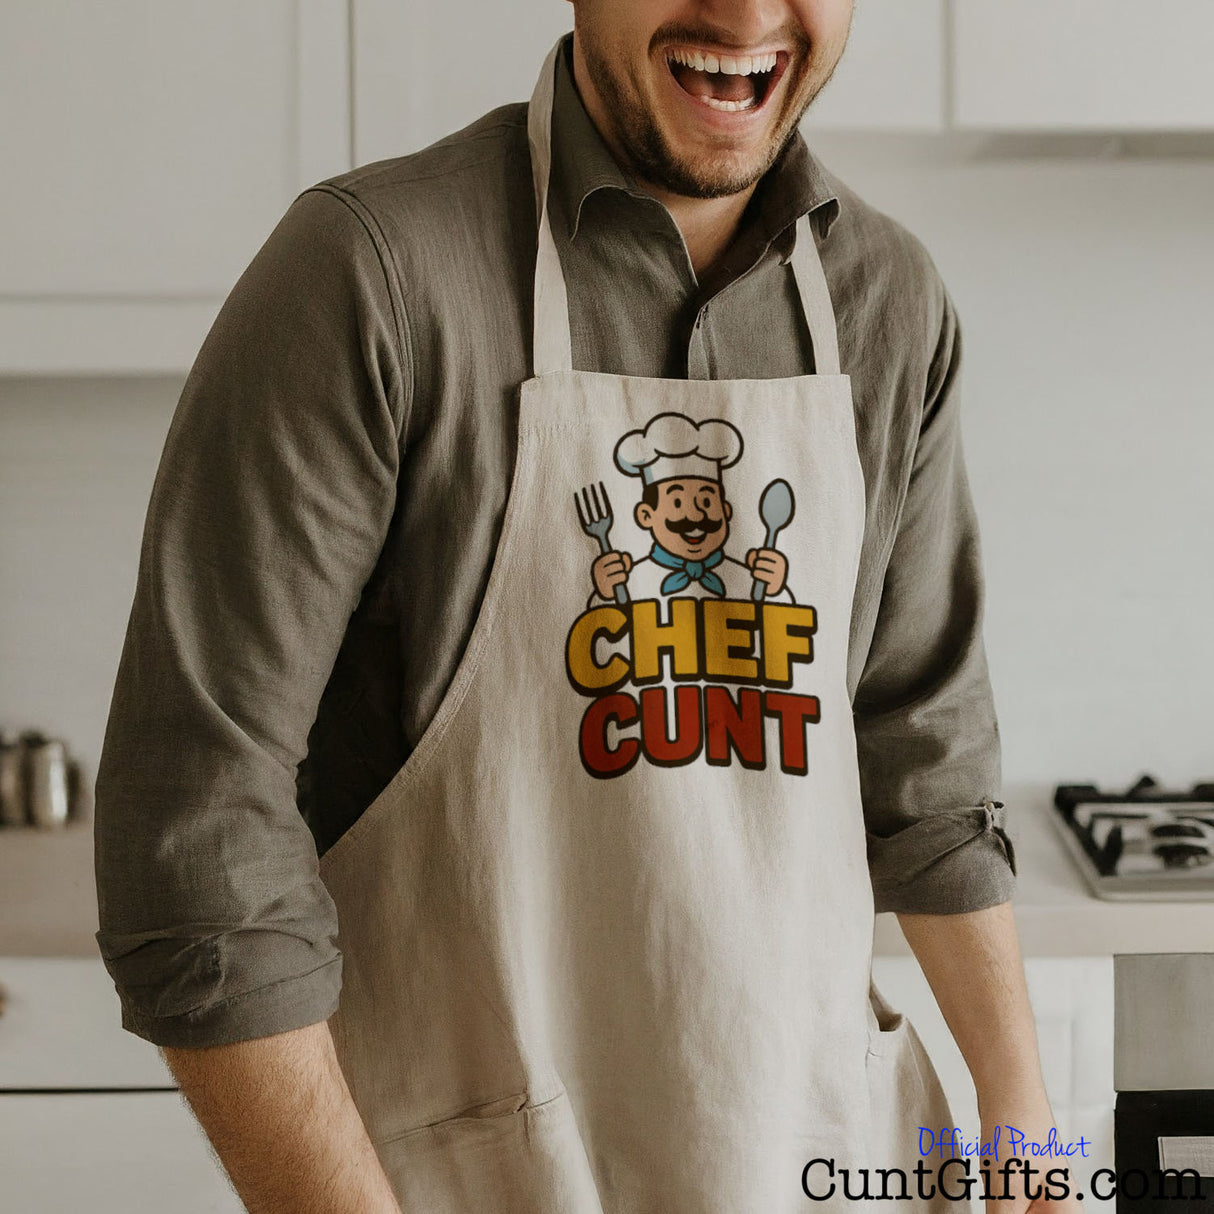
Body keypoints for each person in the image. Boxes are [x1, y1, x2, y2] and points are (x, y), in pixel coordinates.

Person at [94, 3, 1077, 1211]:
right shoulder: (374, 272)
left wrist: (1021, 1115)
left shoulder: (889, 303)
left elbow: (926, 761)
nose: (746, 12)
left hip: (812, 1151)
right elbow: (196, 834)